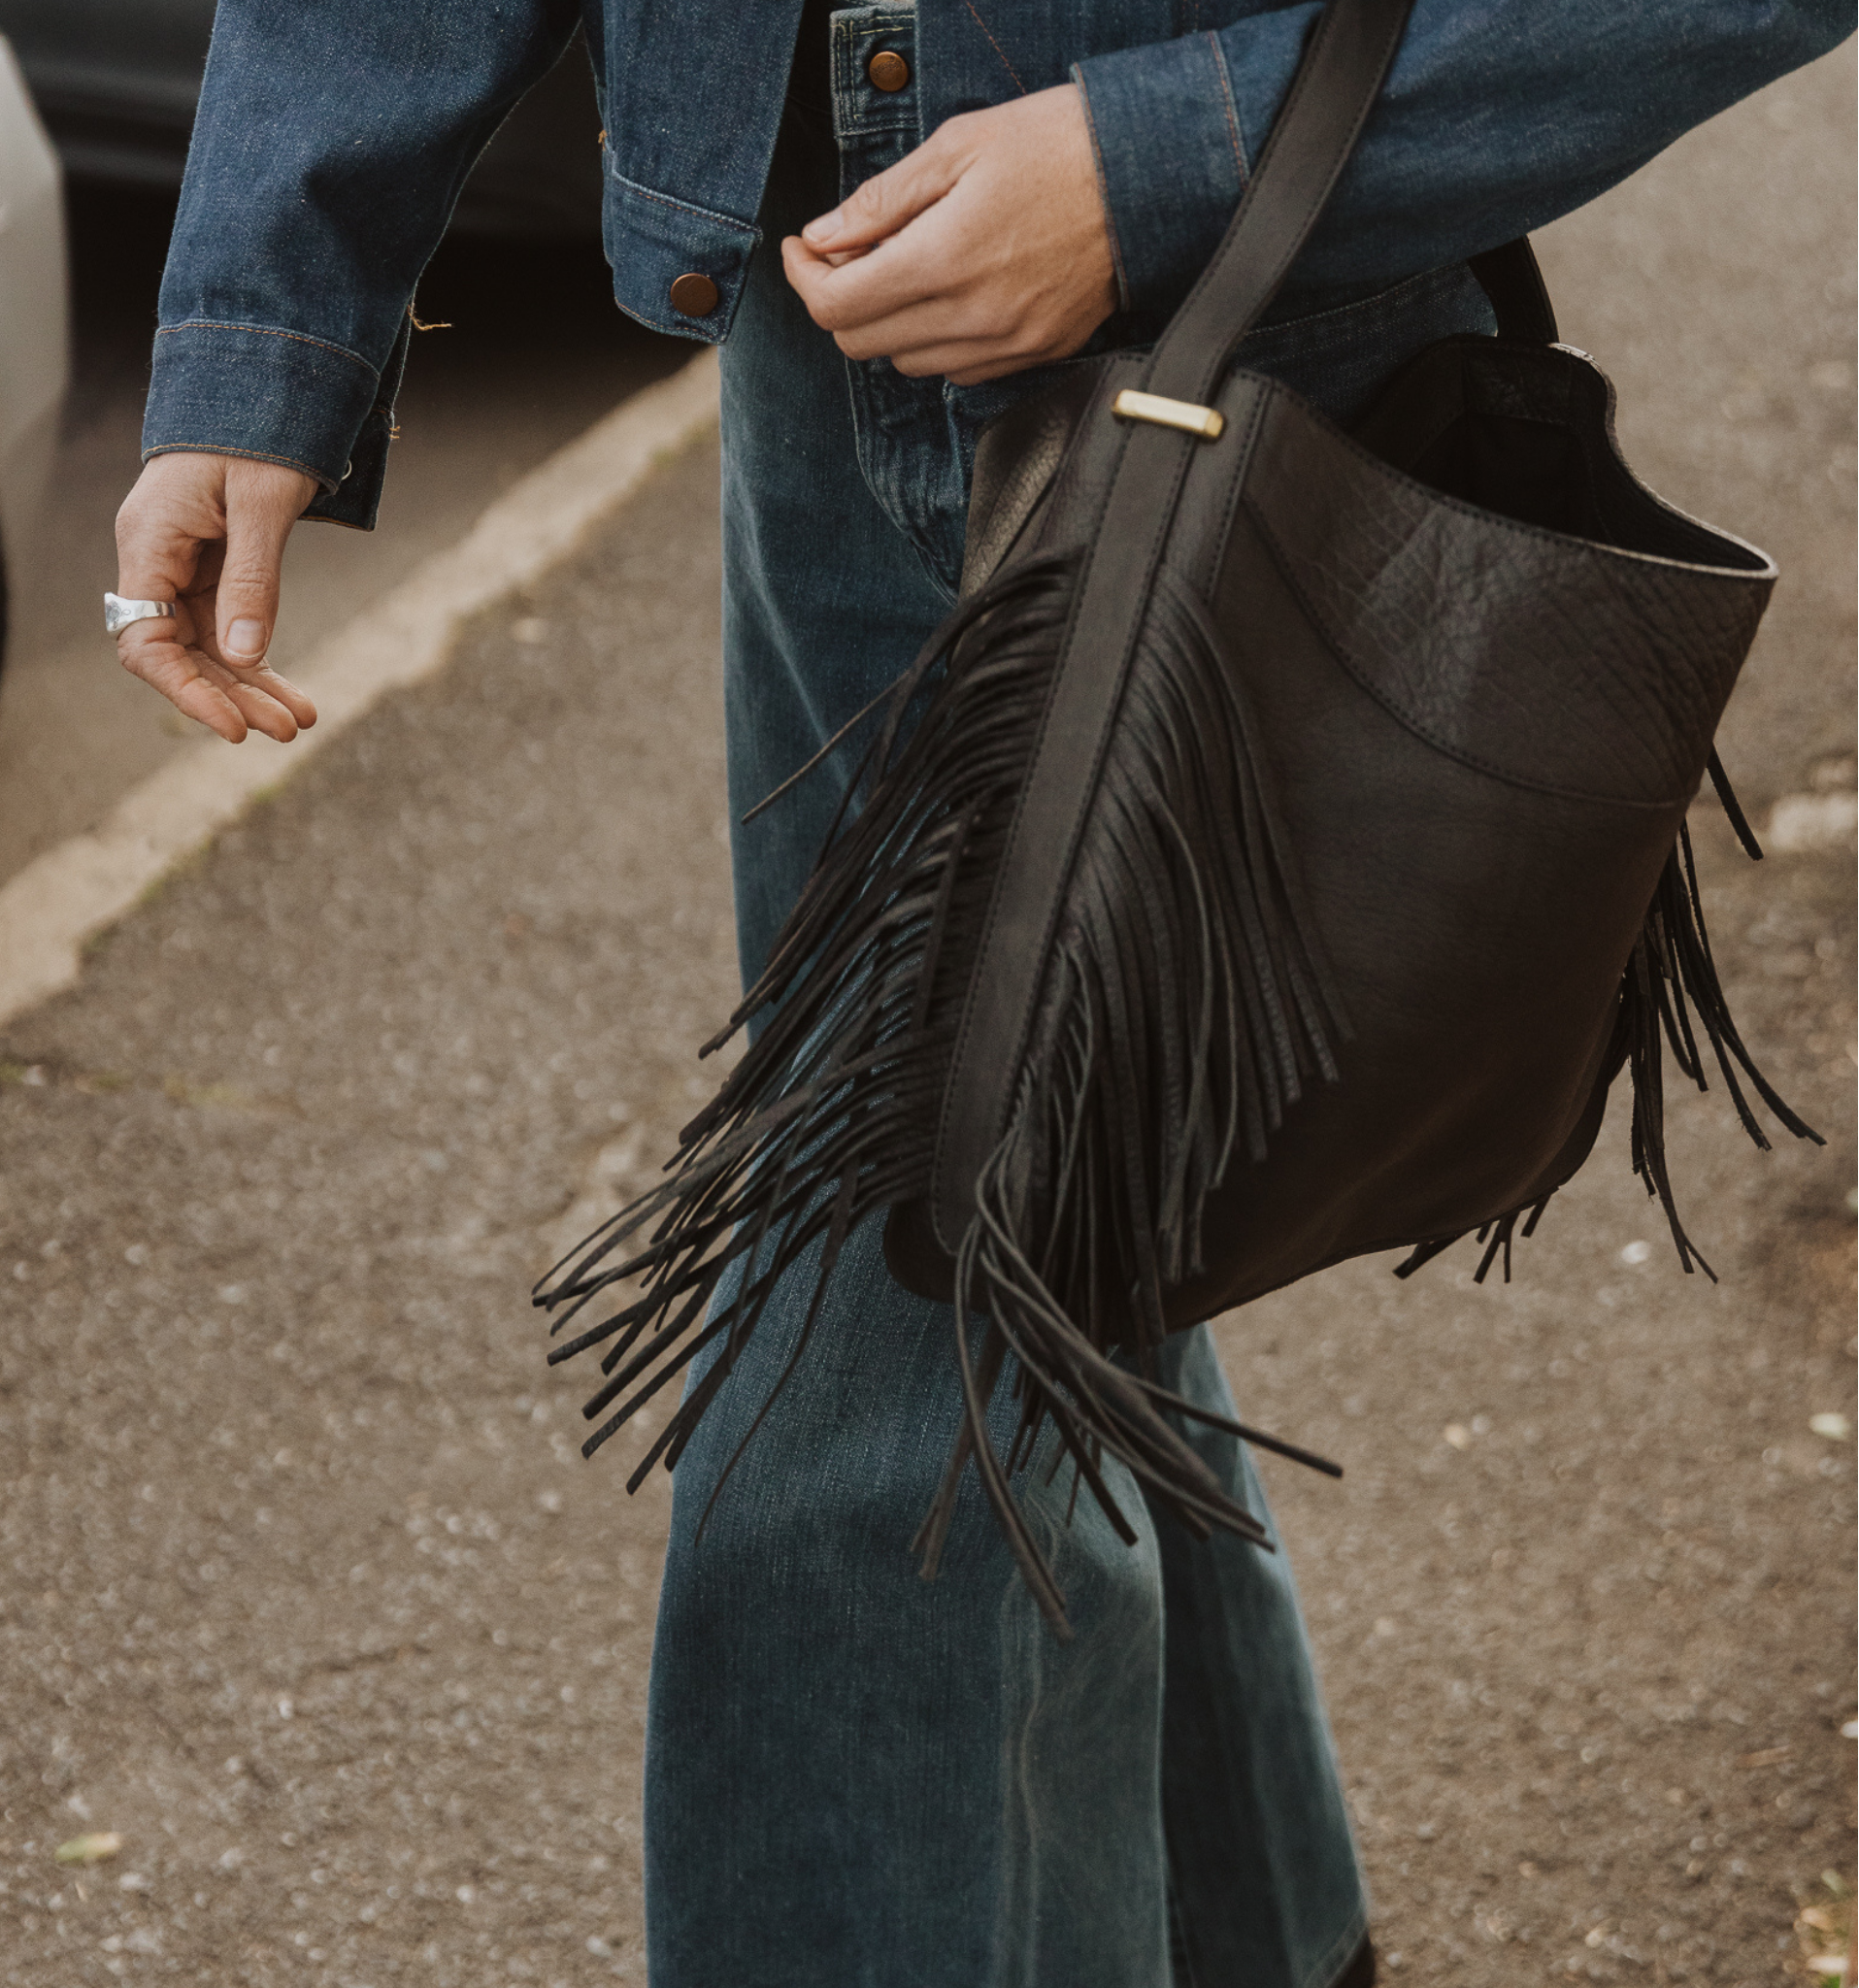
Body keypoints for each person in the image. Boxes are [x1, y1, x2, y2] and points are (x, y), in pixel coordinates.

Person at [107, 4, 1850, 1982]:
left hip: (1237, 338)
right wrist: (265, 322)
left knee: (879, 1416)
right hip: (832, 341)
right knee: (1024, 1233)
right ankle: (1254, 1939)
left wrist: (1168, 153)